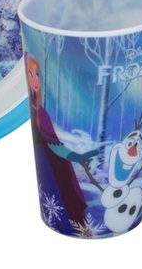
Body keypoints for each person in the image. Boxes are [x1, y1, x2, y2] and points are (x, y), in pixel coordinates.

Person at [26, 54, 98, 233]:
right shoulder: (38, 113)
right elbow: (53, 145)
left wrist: (76, 156)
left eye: (37, 74)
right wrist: (77, 156)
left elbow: (54, 144)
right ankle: (79, 228)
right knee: (62, 207)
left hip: (57, 169)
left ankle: (81, 228)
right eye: (30, 74)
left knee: (66, 208)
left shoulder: (41, 112)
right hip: (51, 171)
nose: (35, 80)